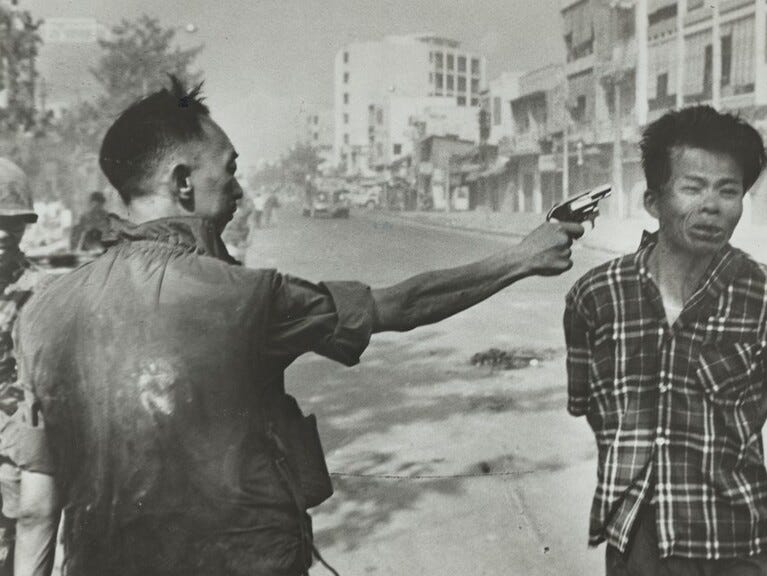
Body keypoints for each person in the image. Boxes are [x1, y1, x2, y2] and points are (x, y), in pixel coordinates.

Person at [14, 77, 584, 576]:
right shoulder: (247, 298)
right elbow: (403, 305)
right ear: (183, 182)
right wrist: (521, 257)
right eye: (230, 170)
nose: (240, 190)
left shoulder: (42, 312)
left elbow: (39, 501)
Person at [564, 106, 767, 576]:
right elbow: (589, 403)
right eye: (693, 187)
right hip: (637, 539)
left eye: (729, 191)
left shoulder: (762, 289)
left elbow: (762, 398)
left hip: (734, 538)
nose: (713, 205)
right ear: (653, 201)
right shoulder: (596, 296)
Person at [0, 159, 54, 576]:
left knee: (30, 522)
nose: (3, 233)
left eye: (14, 223)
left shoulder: (41, 291)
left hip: (18, 433)